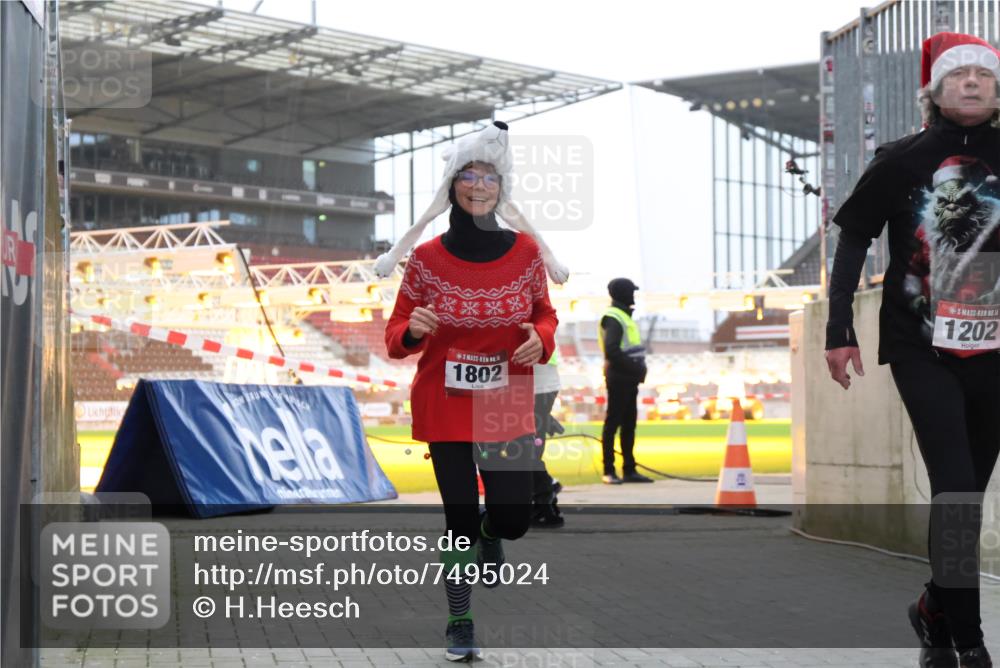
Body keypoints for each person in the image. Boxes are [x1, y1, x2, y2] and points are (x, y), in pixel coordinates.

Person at [825, 32, 1000, 668]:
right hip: (922, 346)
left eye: (985, 74)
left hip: (996, 350)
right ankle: (969, 638)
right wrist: (837, 328)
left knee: (967, 496)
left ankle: (933, 606)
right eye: (960, 76)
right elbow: (852, 239)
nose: (973, 83)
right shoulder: (902, 159)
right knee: (955, 487)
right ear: (935, 90)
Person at [380, 121, 565, 662]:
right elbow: (395, 338)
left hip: (505, 400)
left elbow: (546, 313)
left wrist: (542, 338)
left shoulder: (527, 252)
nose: (479, 186)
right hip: (445, 402)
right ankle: (459, 620)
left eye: (489, 176)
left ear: (501, 187)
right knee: (457, 519)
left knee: (513, 519)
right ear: (452, 186)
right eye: (469, 175)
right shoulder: (428, 259)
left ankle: (493, 531)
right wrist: (414, 328)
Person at [599, 278, 653, 484]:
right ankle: (609, 470)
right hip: (620, 377)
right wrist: (636, 369)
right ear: (623, 293)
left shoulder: (623, 316)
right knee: (613, 423)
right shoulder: (614, 317)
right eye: (631, 292)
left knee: (628, 424)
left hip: (627, 378)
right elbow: (612, 350)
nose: (634, 296)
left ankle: (629, 469)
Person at [531, 347, 565, 528]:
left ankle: (544, 499)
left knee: (522, 450)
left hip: (534, 381)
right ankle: (543, 500)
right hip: (542, 381)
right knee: (528, 450)